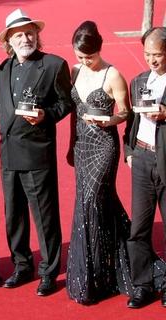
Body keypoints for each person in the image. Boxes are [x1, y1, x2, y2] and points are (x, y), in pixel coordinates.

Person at [0, 8, 74, 296]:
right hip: (8, 155)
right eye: (19, 35)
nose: (25, 38)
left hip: (37, 153)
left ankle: (49, 271)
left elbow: (66, 103)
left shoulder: (54, 65)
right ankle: (21, 265)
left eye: (30, 33)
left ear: (37, 35)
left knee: (44, 216)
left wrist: (46, 115)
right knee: (13, 215)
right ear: (10, 41)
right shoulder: (2, 69)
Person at [65, 20, 133, 305]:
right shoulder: (75, 70)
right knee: (89, 203)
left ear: (99, 50)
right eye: (79, 56)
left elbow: (126, 112)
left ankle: (102, 276)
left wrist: (108, 120)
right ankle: (95, 272)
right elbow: (73, 112)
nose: (83, 62)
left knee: (93, 200)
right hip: (82, 144)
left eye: (88, 57)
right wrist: (70, 144)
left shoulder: (113, 74)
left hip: (104, 145)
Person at [124, 27, 166, 308]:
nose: (151, 60)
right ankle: (143, 284)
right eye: (148, 54)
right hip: (141, 158)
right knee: (138, 228)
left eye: (158, 55)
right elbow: (131, 122)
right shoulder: (138, 81)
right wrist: (129, 152)